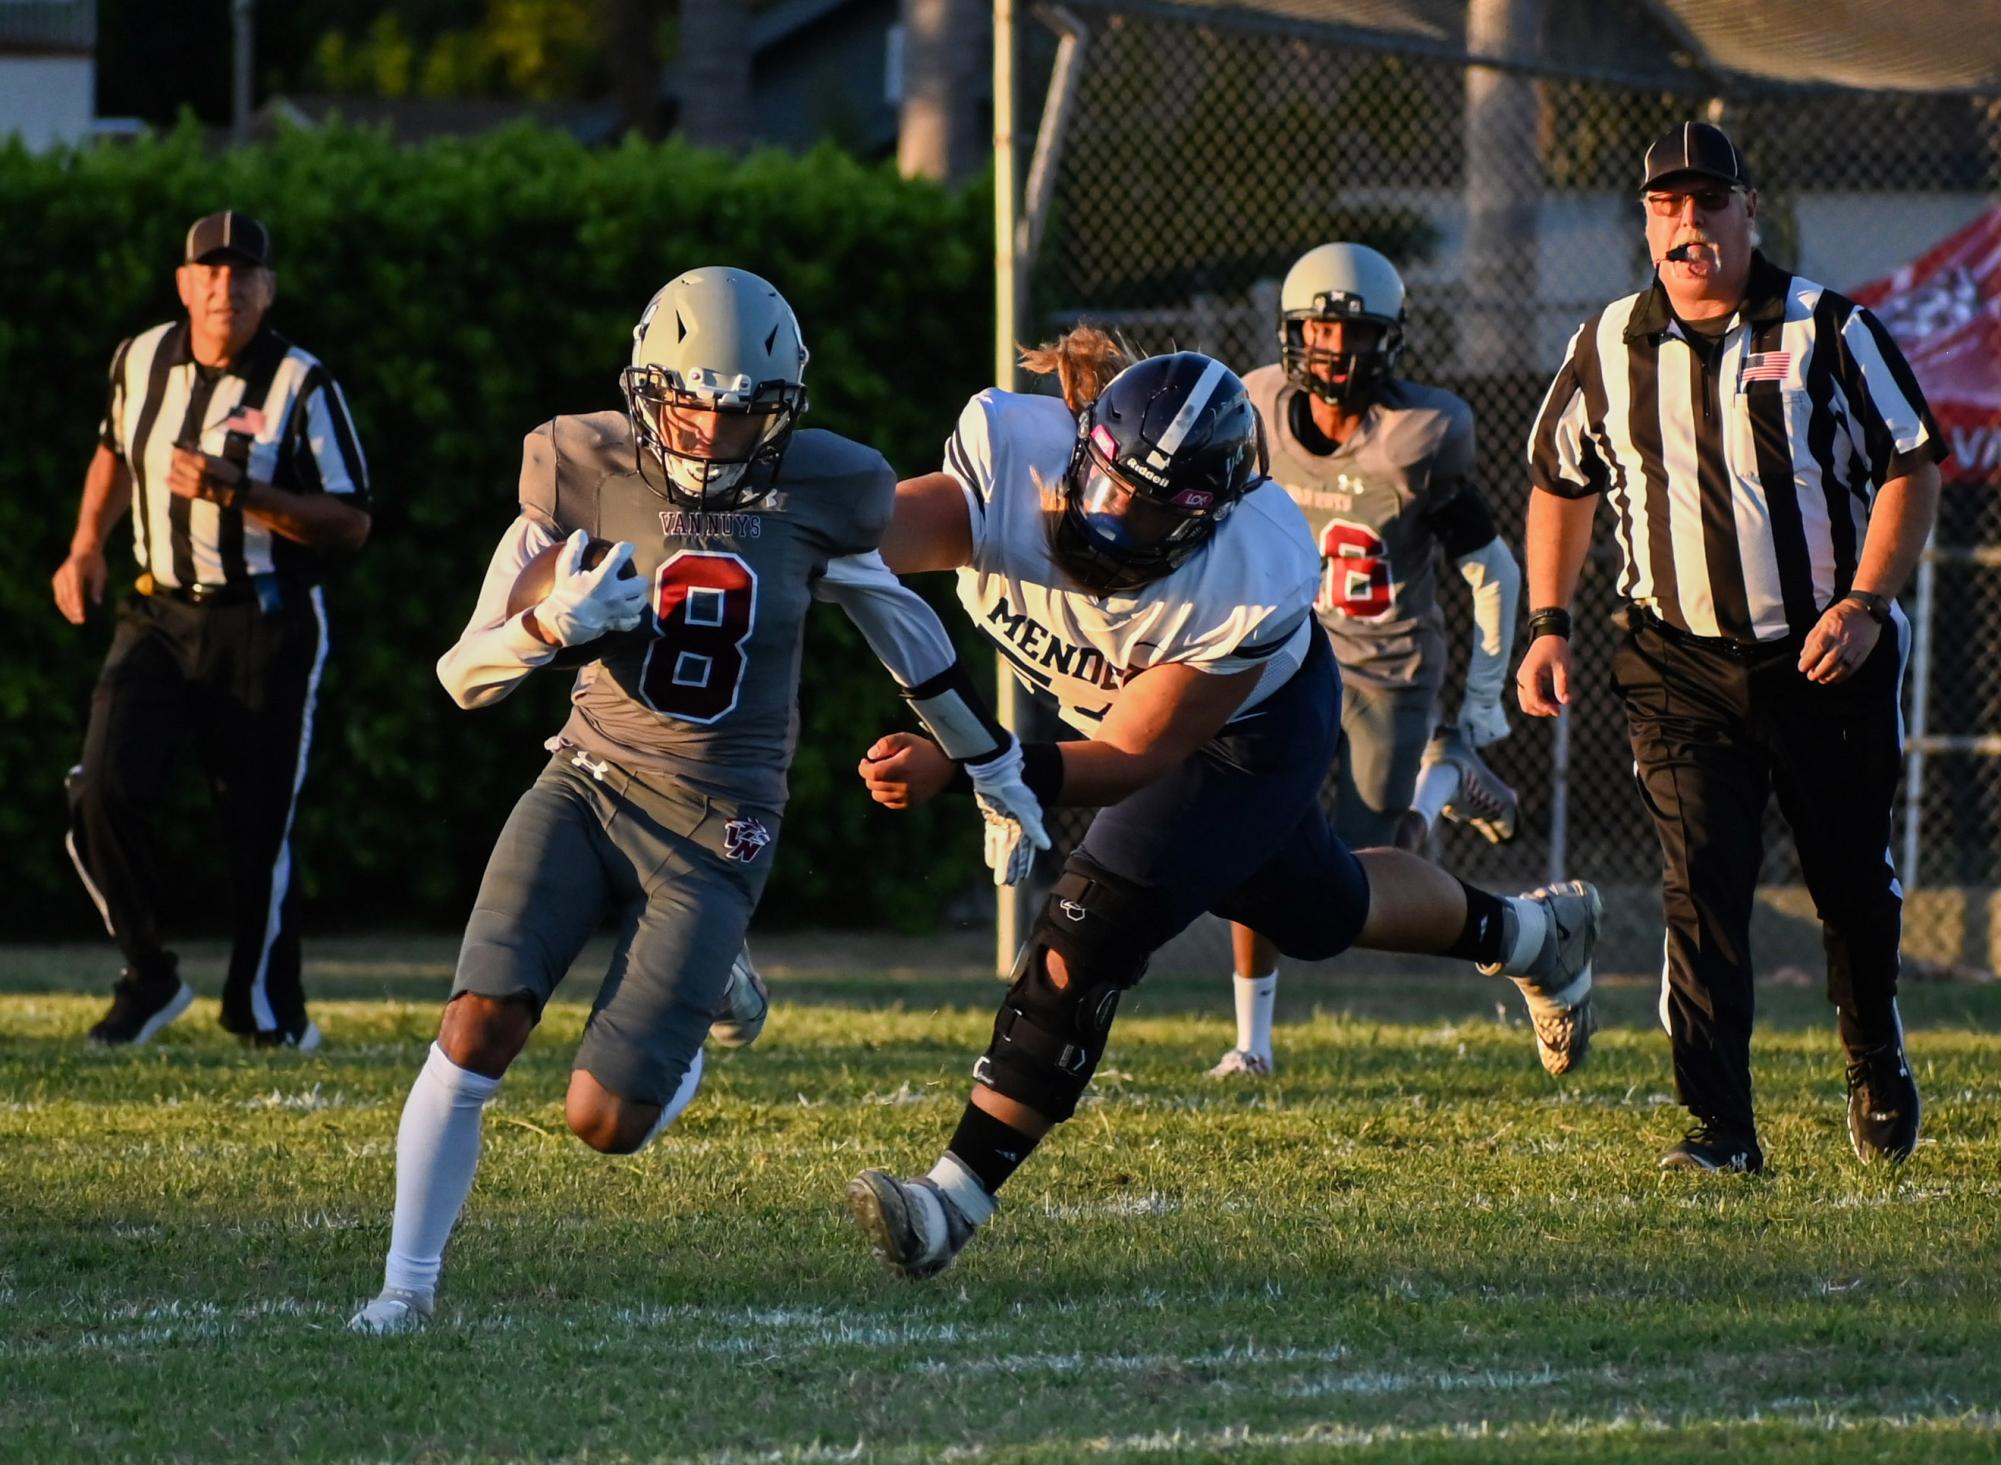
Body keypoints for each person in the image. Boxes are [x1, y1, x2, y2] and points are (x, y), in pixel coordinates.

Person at [348, 266, 1046, 1332]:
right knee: (478, 1020)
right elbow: (460, 674)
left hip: (719, 817)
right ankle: (404, 1289)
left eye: (742, 410)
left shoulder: (819, 490)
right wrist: (550, 630)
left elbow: (902, 629)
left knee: (605, 1120)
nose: (715, 433)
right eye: (693, 401)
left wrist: (992, 766)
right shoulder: (578, 468)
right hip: (585, 776)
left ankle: (711, 987)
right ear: (644, 386)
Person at [843, 333, 1602, 1280]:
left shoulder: (1245, 574)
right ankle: (1532, 935)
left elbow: (1135, 755)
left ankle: (949, 1200)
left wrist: (969, 768)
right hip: (1135, 725)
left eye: (1155, 510)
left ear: (1212, 515)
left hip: (1250, 733)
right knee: (1321, 908)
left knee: (1092, 923)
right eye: (1111, 485)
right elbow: (856, 541)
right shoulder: (1010, 462)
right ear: (1083, 448)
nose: (1117, 520)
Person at [1519, 122, 1945, 1174]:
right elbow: (1558, 480)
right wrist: (1548, 622)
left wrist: (1864, 603)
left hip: (1824, 656)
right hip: (1676, 663)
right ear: (1646, 222)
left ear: (1751, 211)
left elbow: (1913, 464)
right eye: (1668, 206)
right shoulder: (1607, 343)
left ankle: (1873, 1051)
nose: (1689, 223)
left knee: (1848, 882)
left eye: (1710, 202)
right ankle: (1721, 1131)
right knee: (1700, 885)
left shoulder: (1830, 328)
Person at [53, 210, 371, 1049]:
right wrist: (87, 544)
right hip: (155, 610)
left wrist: (242, 493)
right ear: (185, 284)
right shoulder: (141, 358)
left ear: (267, 290)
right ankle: (149, 972)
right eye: (210, 272)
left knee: (255, 826)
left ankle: (265, 1011)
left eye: (243, 274)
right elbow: (113, 450)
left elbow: (350, 520)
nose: (225, 288)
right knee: (100, 791)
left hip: (263, 618)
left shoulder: (301, 383)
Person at [1211, 242, 1524, 1079]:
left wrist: (1483, 703)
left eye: (1353, 334)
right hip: (1285, 654)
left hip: (1386, 667)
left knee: (1371, 879)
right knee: (1256, 837)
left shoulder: (1416, 438)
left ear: (1387, 342)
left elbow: (1491, 570)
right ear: (1290, 332)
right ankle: (1252, 1043)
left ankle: (1449, 768)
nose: (1333, 350)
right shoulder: (1257, 409)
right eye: (1317, 329)